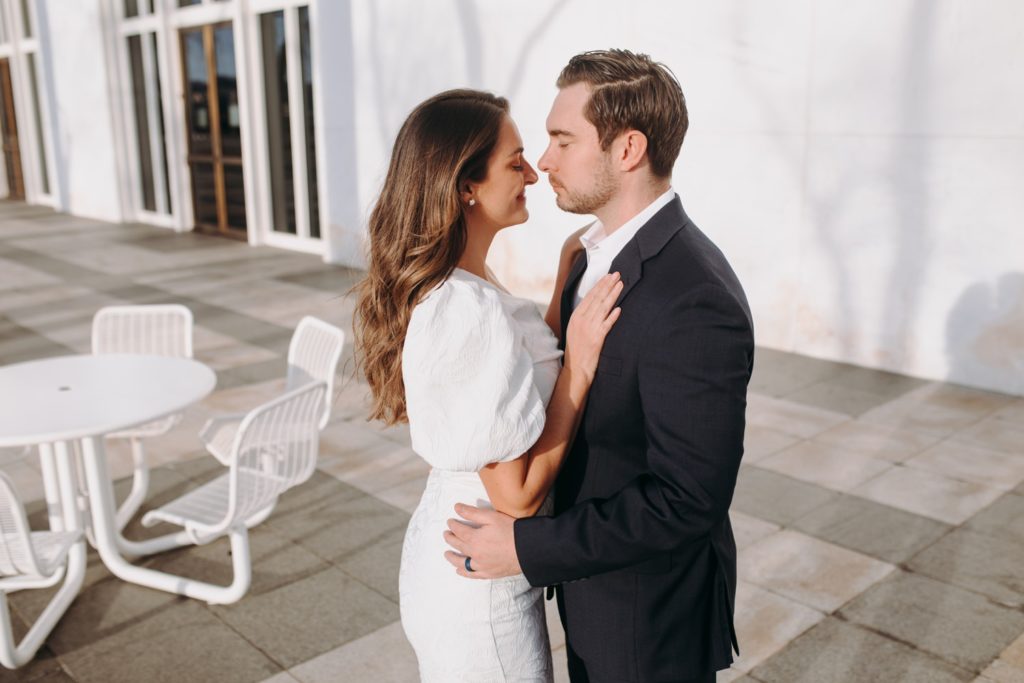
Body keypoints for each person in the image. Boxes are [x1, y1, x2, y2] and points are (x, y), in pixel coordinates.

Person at [444, 50, 754, 682]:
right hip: (592, 593)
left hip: (648, 619)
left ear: (628, 149)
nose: (543, 162)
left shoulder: (695, 298)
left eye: (562, 139)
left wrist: (526, 548)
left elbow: (686, 499)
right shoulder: (586, 258)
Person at [353, 89, 622, 682]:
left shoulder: (465, 285)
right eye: (515, 159)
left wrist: (561, 284)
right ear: (465, 185)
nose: (533, 171)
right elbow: (517, 495)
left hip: (459, 557)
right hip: (478, 584)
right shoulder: (464, 306)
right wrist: (579, 365)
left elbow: (520, 374)